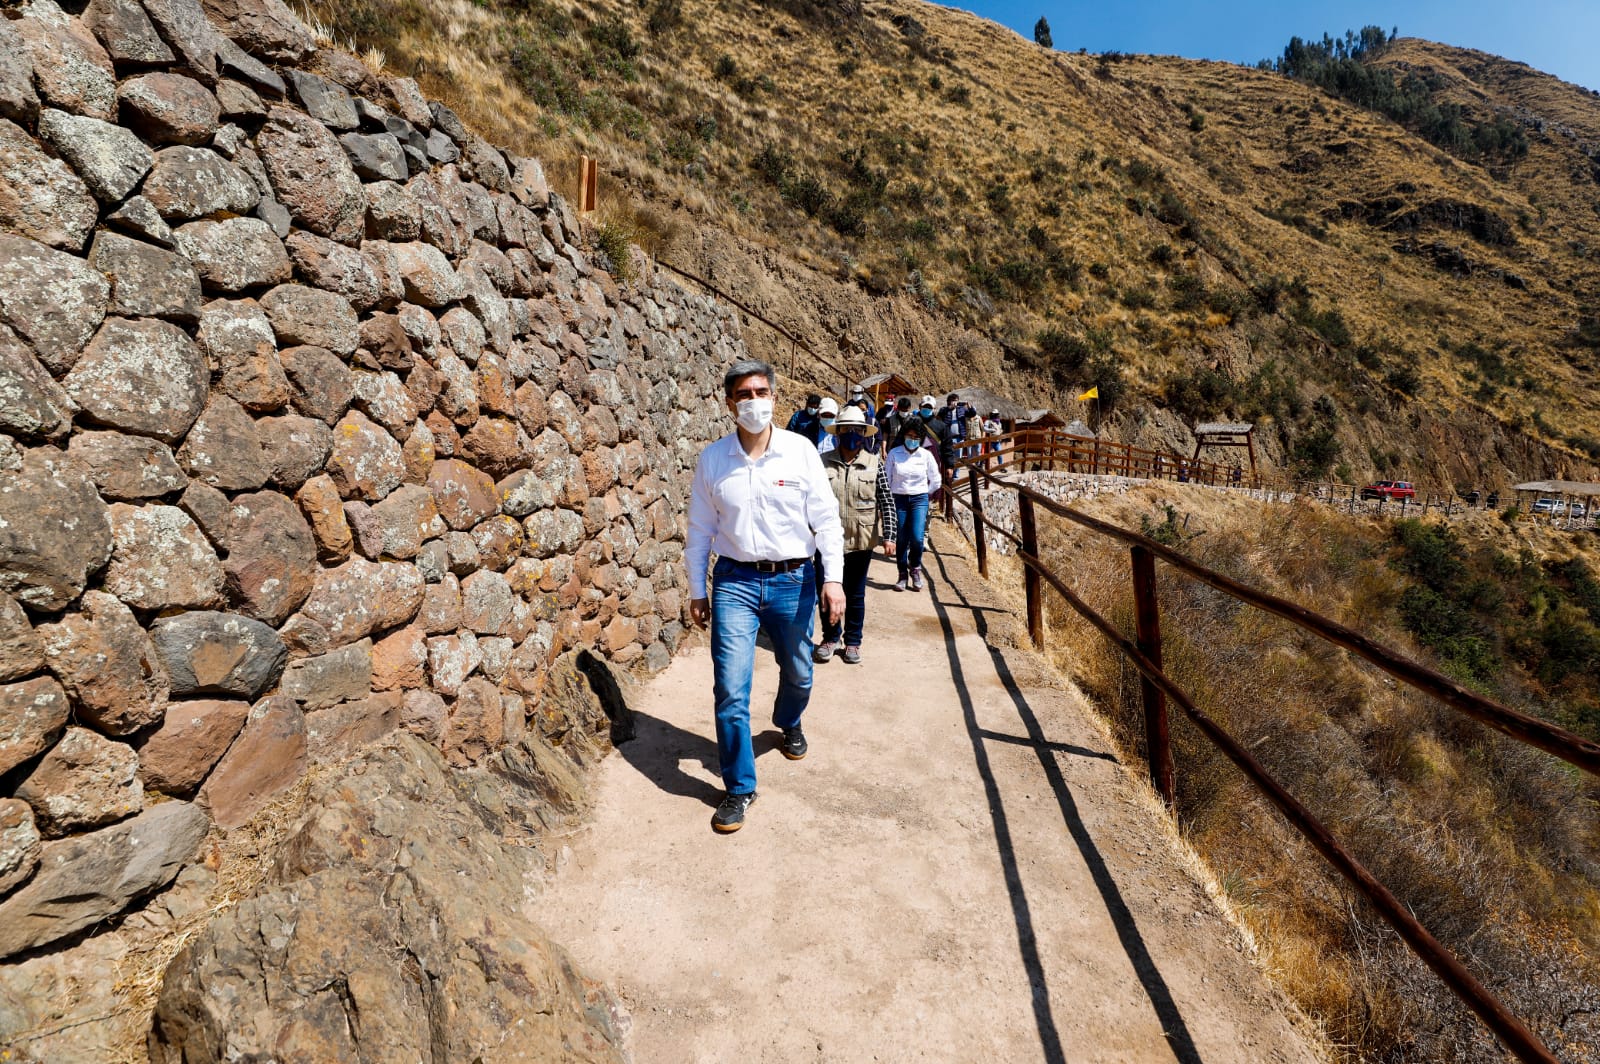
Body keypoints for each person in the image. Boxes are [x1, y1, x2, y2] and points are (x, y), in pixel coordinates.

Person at [687, 360, 845, 834]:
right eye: (743, 393)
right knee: (731, 689)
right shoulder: (713, 460)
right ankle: (739, 787)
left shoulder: (800, 452)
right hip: (734, 582)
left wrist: (832, 580)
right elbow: (699, 530)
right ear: (729, 403)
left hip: (793, 581)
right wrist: (698, 589)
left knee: (799, 672)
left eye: (761, 391)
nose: (753, 401)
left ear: (775, 397)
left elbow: (827, 521)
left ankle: (787, 719)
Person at [814, 406, 896, 665]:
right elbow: (809, 501)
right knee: (826, 592)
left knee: (856, 593)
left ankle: (852, 641)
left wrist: (890, 536)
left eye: (857, 429)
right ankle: (830, 637)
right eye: (846, 429)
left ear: (864, 433)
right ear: (837, 433)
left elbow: (887, 501)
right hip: (827, 543)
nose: (852, 433)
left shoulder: (875, 464)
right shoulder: (822, 462)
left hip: (861, 541)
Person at [886, 419, 941, 592]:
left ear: (921, 438)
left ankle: (915, 567)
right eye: (909, 436)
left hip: (919, 499)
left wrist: (925, 493)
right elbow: (887, 480)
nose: (912, 439)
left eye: (916, 437)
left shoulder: (926, 455)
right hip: (899, 499)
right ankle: (902, 574)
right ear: (904, 435)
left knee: (917, 538)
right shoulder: (894, 453)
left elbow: (936, 479)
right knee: (901, 538)